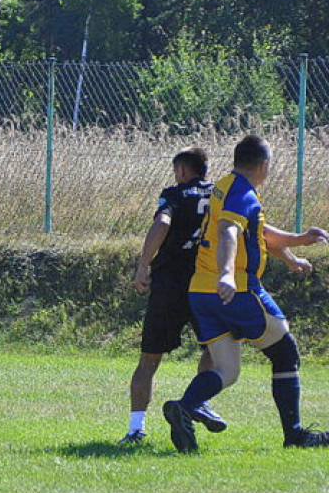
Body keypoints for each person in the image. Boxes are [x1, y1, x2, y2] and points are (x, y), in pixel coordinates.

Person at [162, 134, 329, 452]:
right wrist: (227, 273)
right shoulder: (243, 193)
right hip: (235, 290)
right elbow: (229, 232)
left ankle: (185, 407)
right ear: (264, 166)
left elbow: (257, 233)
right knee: (285, 352)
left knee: (226, 370)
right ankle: (294, 435)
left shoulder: (225, 185)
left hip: (202, 291)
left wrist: (295, 248)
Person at [121, 147, 225, 444]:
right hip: (204, 284)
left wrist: (143, 265)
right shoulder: (220, 195)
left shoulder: (175, 194)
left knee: (149, 360)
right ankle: (195, 402)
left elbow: (162, 223)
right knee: (212, 352)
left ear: (181, 170)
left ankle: (135, 429)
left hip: (169, 285)